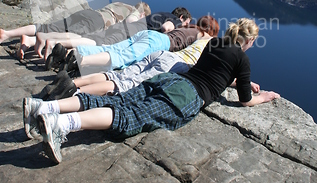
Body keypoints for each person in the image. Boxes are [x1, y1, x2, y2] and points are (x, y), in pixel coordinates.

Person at [23, 18, 280, 164]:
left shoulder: (213, 42)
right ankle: (61, 124)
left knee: (121, 98)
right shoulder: (242, 60)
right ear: (250, 41)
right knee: (129, 117)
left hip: (169, 79)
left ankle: (45, 107)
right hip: (186, 97)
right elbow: (245, 101)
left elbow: (209, 71)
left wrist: (230, 81)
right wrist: (264, 97)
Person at [43, 16, 220, 99]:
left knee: (111, 48)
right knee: (120, 59)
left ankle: (68, 53)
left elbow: (167, 27)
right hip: (161, 44)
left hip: (149, 34)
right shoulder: (202, 35)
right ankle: (78, 60)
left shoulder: (186, 27)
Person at [0, 1, 151, 59]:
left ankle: (7, 34)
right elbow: (130, 21)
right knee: (71, 36)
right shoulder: (136, 11)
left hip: (89, 13)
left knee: (49, 26)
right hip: (97, 22)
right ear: (143, 13)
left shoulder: (121, 3)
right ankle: (32, 40)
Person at [43, 7, 192, 67]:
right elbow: (167, 28)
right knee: (98, 43)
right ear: (181, 17)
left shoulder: (162, 13)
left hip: (126, 26)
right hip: (134, 32)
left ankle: (60, 52)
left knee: (97, 38)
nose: (184, 27)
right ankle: (57, 43)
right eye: (186, 23)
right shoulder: (174, 20)